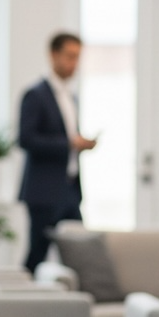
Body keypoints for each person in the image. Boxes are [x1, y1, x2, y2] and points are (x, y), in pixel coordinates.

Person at [17, 32, 97, 273]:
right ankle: (24, 304)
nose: (74, 63)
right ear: (54, 55)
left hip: (70, 188)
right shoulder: (35, 94)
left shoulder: (72, 96)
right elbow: (26, 139)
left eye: (77, 57)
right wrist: (70, 144)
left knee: (80, 252)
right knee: (37, 254)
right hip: (43, 191)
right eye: (70, 56)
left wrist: (81, 144)